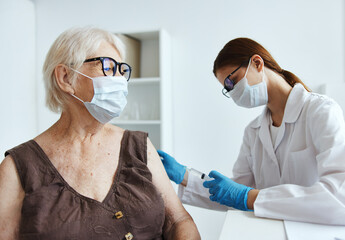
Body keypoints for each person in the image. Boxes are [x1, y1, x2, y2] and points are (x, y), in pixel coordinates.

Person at [0, 27, 200, 240]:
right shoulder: (16, 169)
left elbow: (179, 221)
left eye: (122, 70)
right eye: (108, 66)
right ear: (66, 77)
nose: (120, 80)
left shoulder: (138, 146)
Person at [158, 37, 345, 226]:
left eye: (231, 81)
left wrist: (251, 197)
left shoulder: (320, 111)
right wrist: (184, 175)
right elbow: (231, 193)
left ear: (257, 63)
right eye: (227, 89)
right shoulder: (253, 132)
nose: (232, 91)